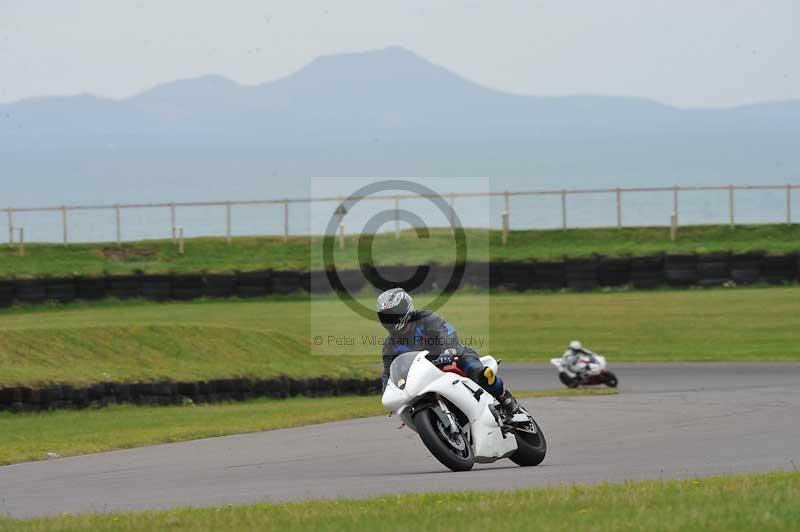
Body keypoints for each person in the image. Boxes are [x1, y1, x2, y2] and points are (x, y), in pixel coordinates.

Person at [377, 287, 522, 417]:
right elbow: (388, 374)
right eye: (385, 317)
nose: (390, 320)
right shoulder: (390, 345)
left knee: (479, 372)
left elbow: (446, 332)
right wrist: (389, 394)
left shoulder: (425, 318)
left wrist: (448, 350)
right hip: (424, 377)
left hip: (452, 356)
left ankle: (505, 398)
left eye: (392, 315)